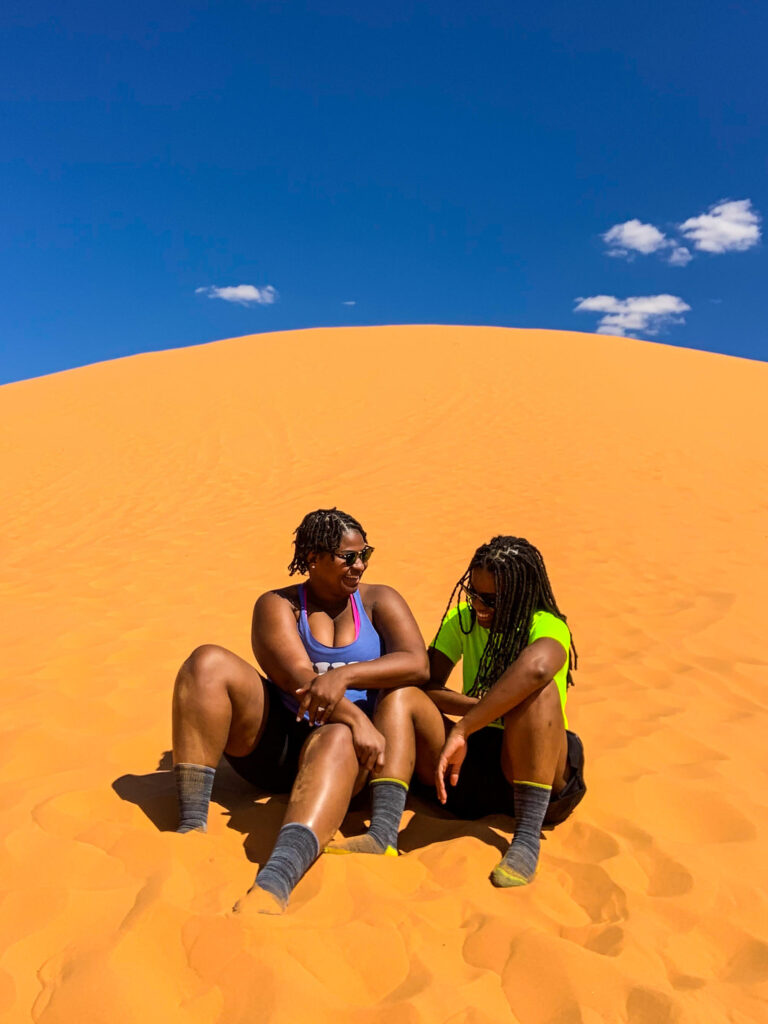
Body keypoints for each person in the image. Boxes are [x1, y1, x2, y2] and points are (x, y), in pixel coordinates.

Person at [171, 508, 429, 914]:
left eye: (365, 554)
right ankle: (189, 828)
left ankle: (276, 880)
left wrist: (347, 679)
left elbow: (417, 663)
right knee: (206, 662)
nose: (359, 565)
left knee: (336, 735)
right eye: (348, 556)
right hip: (280, 747)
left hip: (351, 756)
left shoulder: (379, 600)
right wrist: (358, 717)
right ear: (313, 559)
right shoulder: (279, 605)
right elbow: (296, 677)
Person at [332, 535, 586, 888]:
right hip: (472, 765)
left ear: (519, 597)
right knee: (401, 693)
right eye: (475, 594)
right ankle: (382, 833)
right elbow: (428, 682)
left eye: (492, 600)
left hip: (536, 765)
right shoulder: (463, 620)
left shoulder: (545, 625)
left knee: (537, 694)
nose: (480, 606)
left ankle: (526, 841)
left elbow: (539, 669)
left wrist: (465, 726)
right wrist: (480, 714)